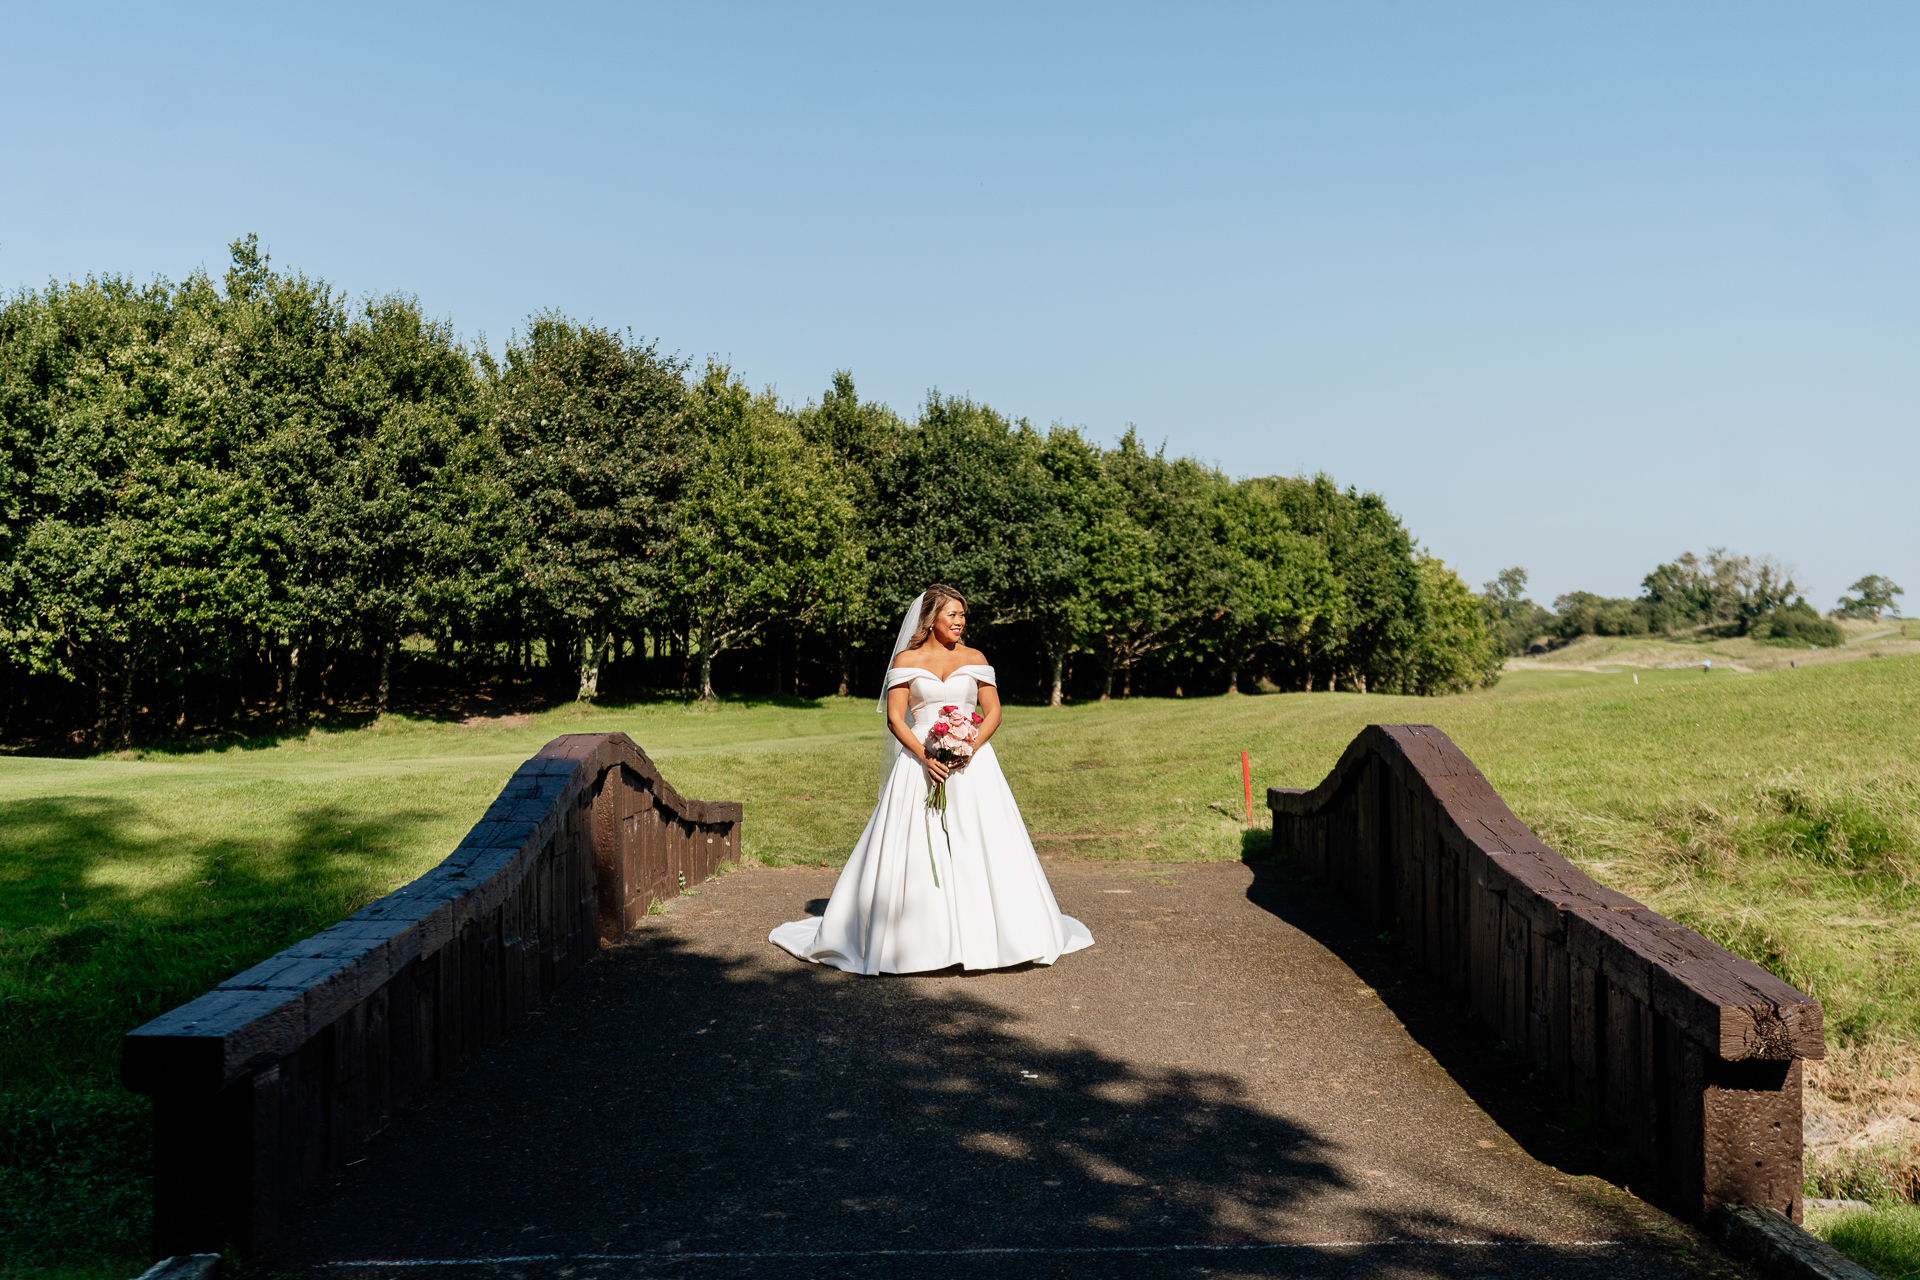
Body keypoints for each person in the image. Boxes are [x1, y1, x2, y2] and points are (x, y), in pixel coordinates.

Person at [769, 584, 1095, 974]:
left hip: (973, 765)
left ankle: (997, 937)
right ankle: (921, 941)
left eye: (962, 615)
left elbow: (992, 713)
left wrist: (970, 746)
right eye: (951, 615)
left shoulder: (976, 658)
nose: (959, 622)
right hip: (919, 762)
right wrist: (925, 755)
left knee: (982, 842)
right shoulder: (907, 659)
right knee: (917, 845)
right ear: (931, 619)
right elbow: (895, 718)